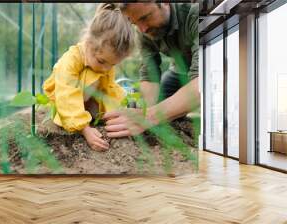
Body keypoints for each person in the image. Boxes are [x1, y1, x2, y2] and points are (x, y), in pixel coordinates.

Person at [43, 4, 135, 151]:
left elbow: (108, 90)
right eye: (101, 61)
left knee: (109, 86)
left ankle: (92, 116)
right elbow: (67, 95)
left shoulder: (105, 64)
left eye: (112, 65)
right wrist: (85, 129)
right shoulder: (71, 60)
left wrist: (113, 115)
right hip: (65, 104)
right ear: (88, 42)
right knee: (89, 75)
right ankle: (78, 121)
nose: (106, 68)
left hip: (89, 101)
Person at [104, 3, 200, 138]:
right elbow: (150, 75)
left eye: (145, 18)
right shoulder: (143, 31)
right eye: (134, 23)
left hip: (214, 69)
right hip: (179, 70)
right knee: (159, 106)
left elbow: (204, 83)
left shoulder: (196, 13)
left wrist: (149, 116)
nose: (142, 29)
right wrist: (142, 111)